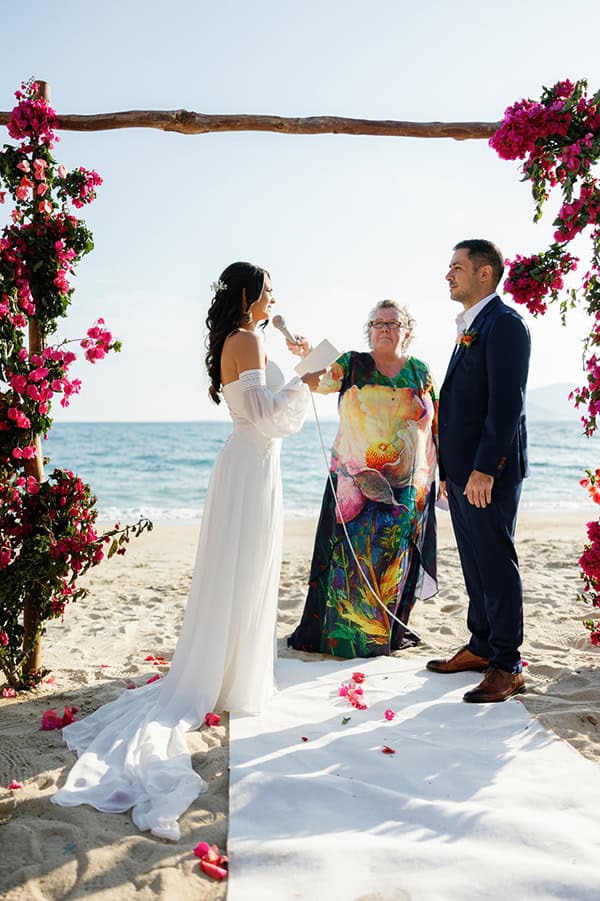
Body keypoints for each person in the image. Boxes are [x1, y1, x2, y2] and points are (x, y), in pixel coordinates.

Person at [52, 262, 322, 840]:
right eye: (270, 290)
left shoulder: (252, 338)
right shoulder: (245, 338)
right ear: (250, 295)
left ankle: (229, 672)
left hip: (254, 467)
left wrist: (299, 362)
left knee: (245, 571)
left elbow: (269, 407)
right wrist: (306, 380)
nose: (277, 298)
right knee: (241, 570)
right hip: (250, 468)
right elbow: (268, 418)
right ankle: (221, 677)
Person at [287, 300, 438, 659]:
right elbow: (318, 382)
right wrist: (307, 354)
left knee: (391, 560)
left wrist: (441, 473)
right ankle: (344, 638)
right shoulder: (353, 364)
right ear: (369, 329)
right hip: (352, 483)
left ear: (408, 330)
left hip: (408, 487)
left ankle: (381, 637)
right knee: (350, 561)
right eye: (378, 323)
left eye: (393, 323)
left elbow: (436, 423)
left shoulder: (420, 371)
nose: (385, 328)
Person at [427, 239, 530, 703]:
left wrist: (486, 468)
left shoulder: (505, 324)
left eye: (456, 267)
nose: (448, 274)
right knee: (473, 561)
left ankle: (508, 664)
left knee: (495, 560)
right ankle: (482, 645)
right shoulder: (470, 325)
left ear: (484, 274)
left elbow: (507, 404)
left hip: (489, 473)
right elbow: (461, 405)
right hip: (463, 473)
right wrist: (450, 469)